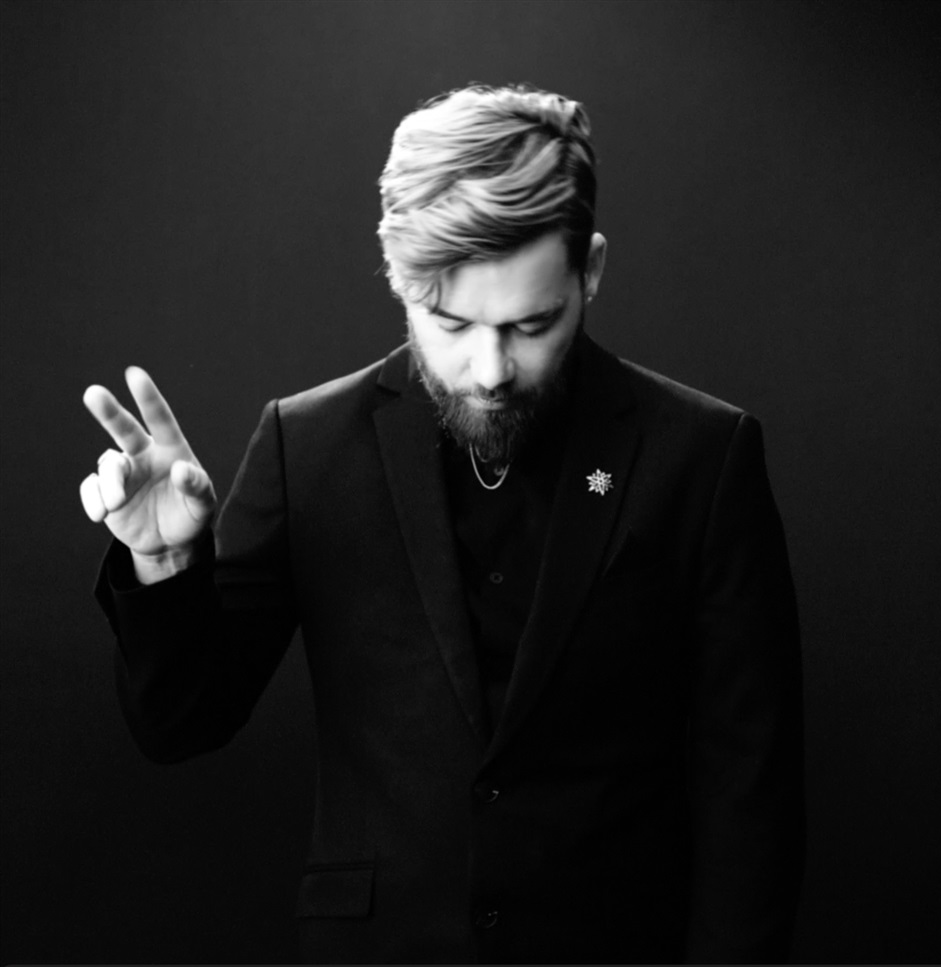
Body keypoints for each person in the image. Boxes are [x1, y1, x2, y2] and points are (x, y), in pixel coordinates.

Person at [80, 84, 804, 964]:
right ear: (399, 278)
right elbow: (182, 723)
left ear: (590, 271)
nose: (491, 369)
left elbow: (751, 789)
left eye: (532, 324)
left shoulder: (702, 455)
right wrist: (164, 563)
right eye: (451, 323)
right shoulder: (307, 445)